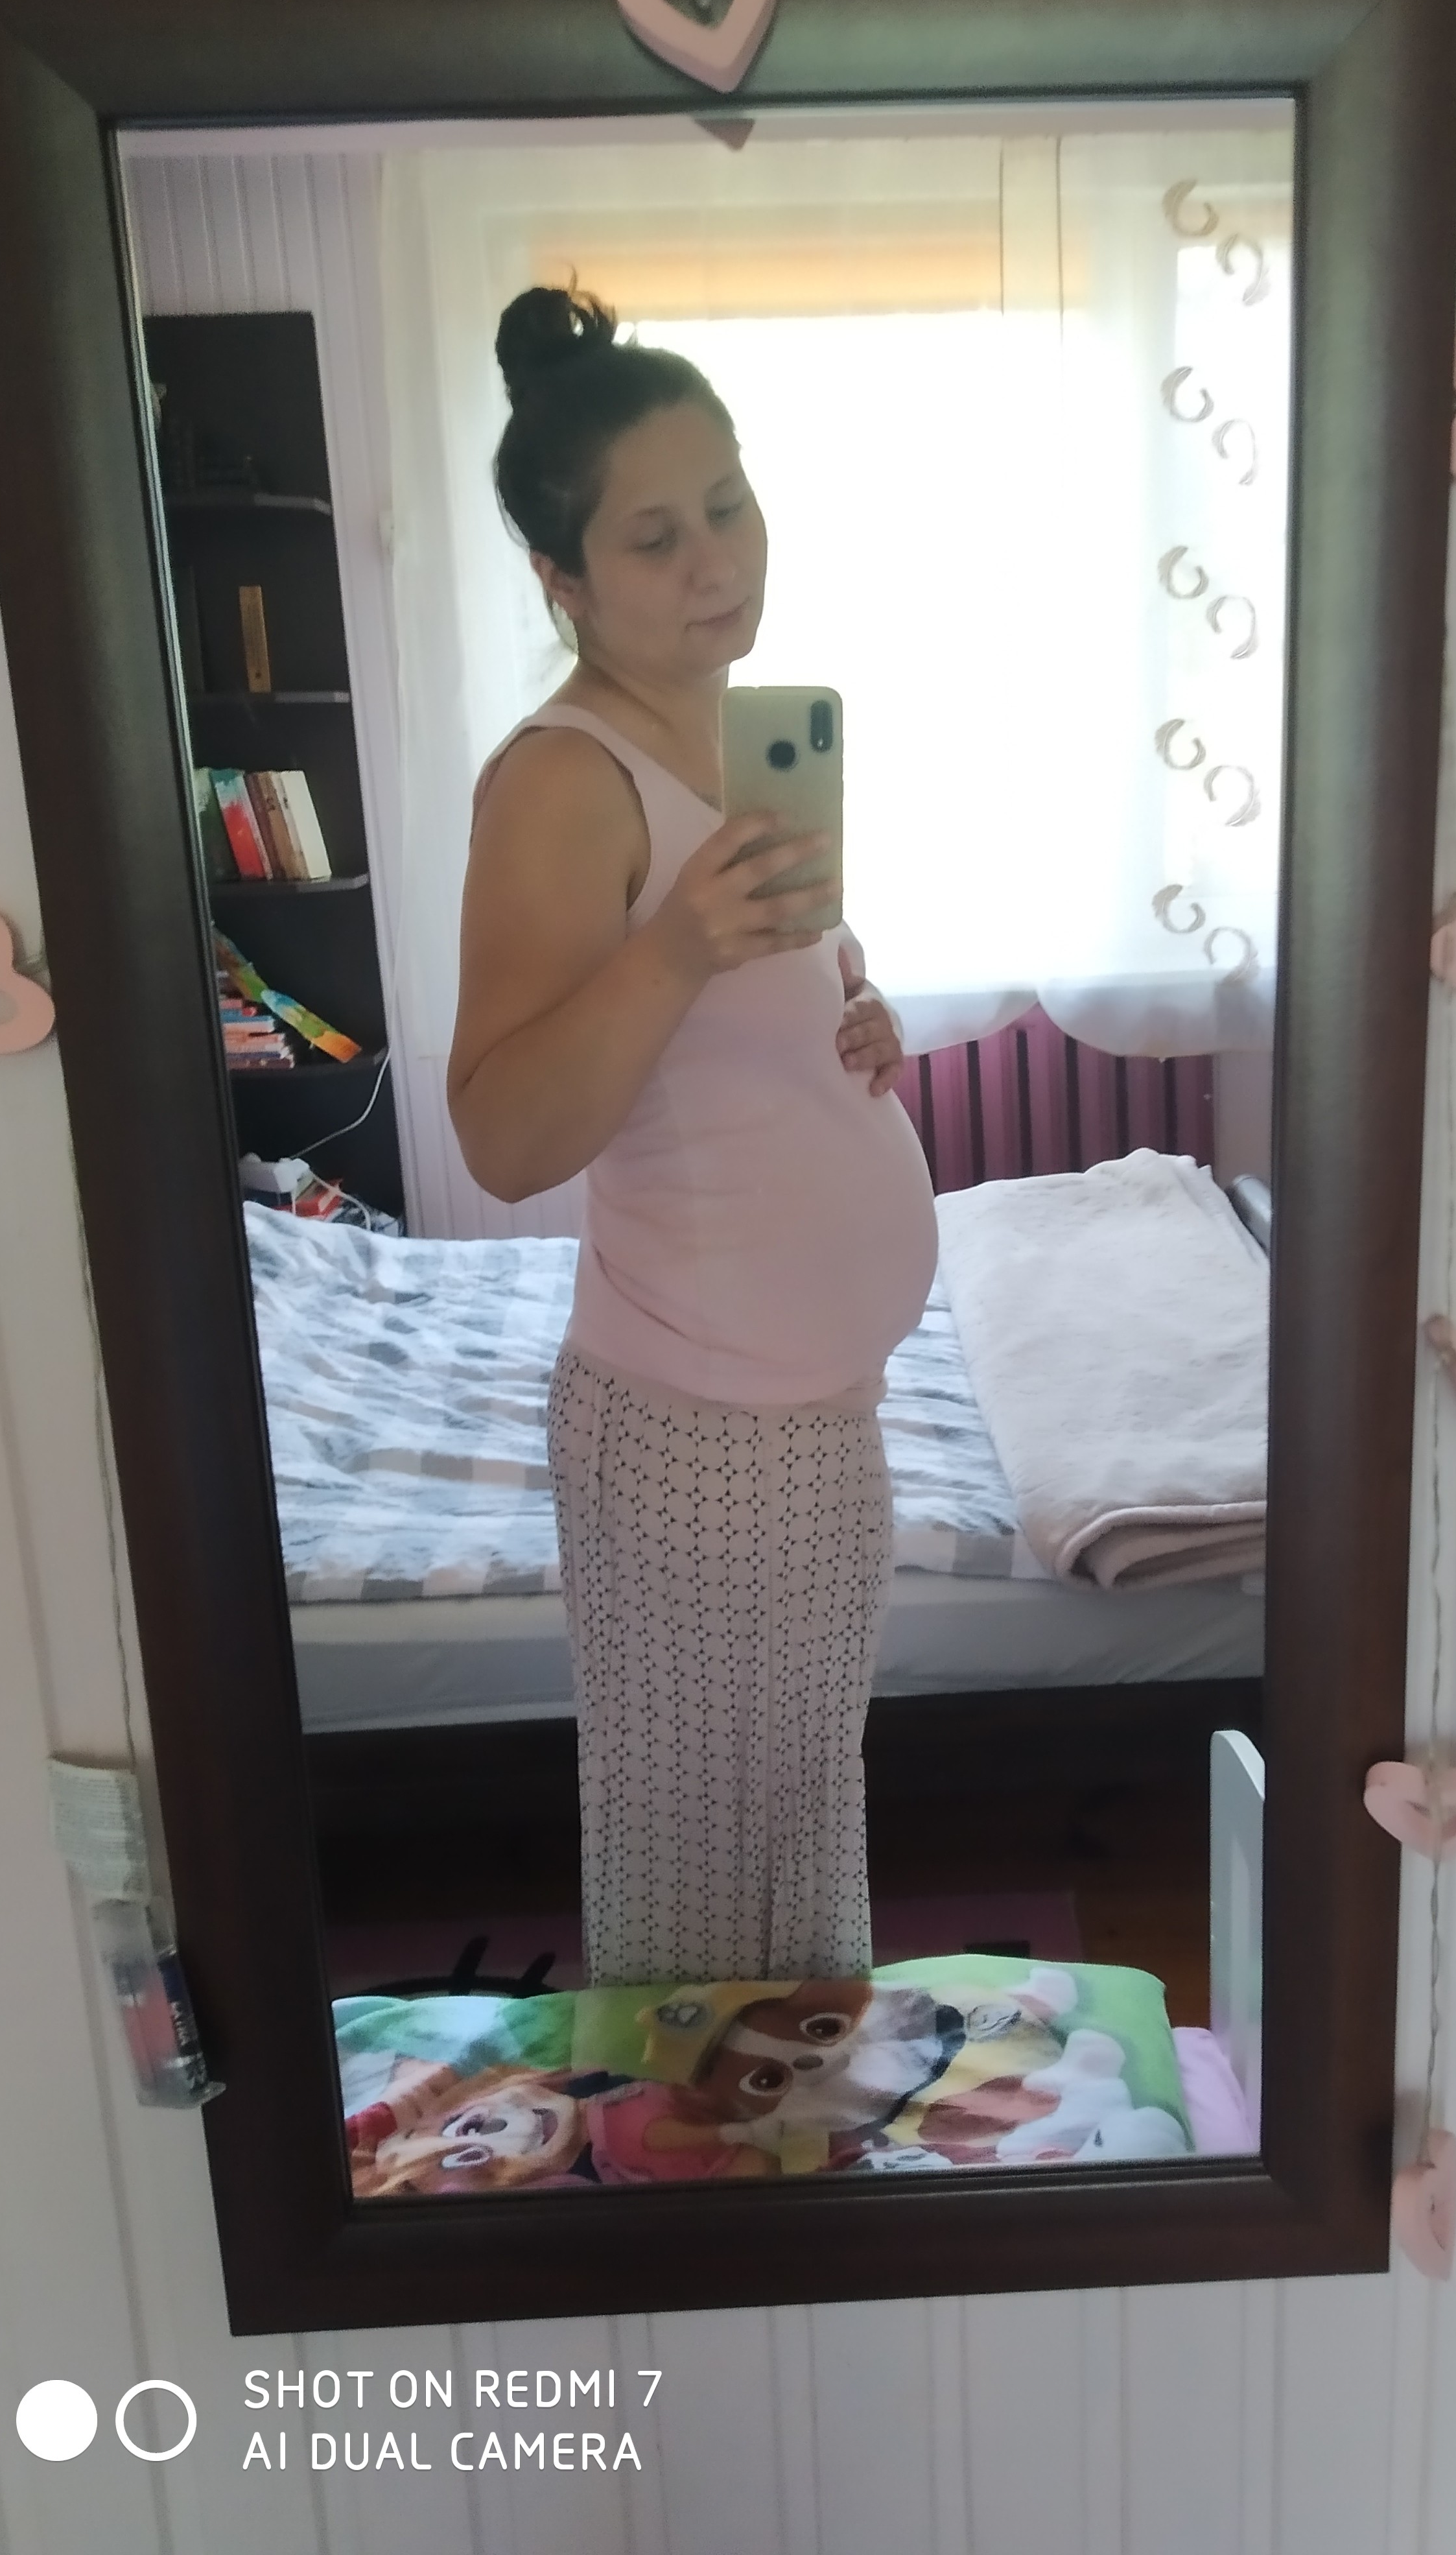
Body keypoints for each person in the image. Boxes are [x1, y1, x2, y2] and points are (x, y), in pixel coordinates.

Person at [448, 286, 937, 1989]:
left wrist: (852, 1018)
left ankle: (782, 2131)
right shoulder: (559, 783)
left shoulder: (736, 747)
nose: (717, 559)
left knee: (792, 1846)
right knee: (699, 1897)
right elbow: (504, 1131)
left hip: (810, 1418)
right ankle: (698, 2152)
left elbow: (724, 1044)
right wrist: (678, 947)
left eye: (728, 503)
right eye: (654, 537)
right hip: (694, 1436)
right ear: (562, 580)